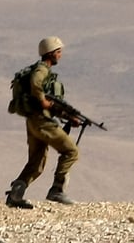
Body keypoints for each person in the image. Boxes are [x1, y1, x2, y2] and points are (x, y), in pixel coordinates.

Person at [5, 36, 80, 207]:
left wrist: (69, 118)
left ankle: (15, 195)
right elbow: (35, 83)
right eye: (58, 52)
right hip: (42, 122)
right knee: (71, 152)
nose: (60, 55)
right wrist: (42, 101)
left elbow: (50, 103)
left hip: (34, 121)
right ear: (51, 53)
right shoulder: (42, 70)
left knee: (37, 162)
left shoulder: (43, 71)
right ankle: (57, 190)